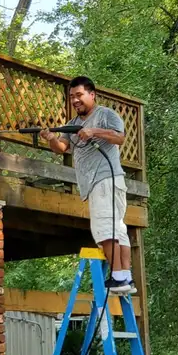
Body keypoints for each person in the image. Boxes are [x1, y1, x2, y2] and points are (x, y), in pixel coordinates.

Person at [40, 76, 136, 295]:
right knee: (117, 229)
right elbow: (62, 147)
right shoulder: (73, 125)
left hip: (105, 179)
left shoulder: (105, 115)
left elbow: (119, 138)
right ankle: (126, 278)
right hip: (97, 184)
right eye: (72, 96)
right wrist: (51, 138)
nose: (75, 100)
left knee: (104, 229)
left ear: (92, 95)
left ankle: (118, 278)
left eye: (79, 95)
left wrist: (94, 132)